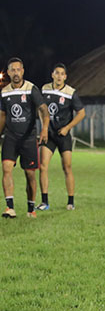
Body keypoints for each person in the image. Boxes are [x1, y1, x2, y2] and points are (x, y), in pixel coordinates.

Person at [1, 57, 50, 218]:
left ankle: (31, 208)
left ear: (23, 71)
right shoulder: (4, 92)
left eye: (18, 69)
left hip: (29, 139)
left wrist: (44, 130)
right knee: (6, 169)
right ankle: (10, 207)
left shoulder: (31, 89)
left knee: (30, 175)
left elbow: (43, 110)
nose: (15, 73)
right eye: (12, 70)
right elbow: (2, 115)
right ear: (8, 72)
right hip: (11, 137)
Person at [37, 63, 85, 211]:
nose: (59, 76)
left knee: (67, 167)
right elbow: (41, 109)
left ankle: (70, 202)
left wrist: (67, 128)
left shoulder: (70, 93)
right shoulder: (44, 89)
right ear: (52, 75)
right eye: (56, 73)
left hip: (63, 135)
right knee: (43, 166)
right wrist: (44, 127)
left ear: (65, 77)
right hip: (49, 135)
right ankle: (44, 202)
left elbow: (81, 113)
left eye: (62, 74)